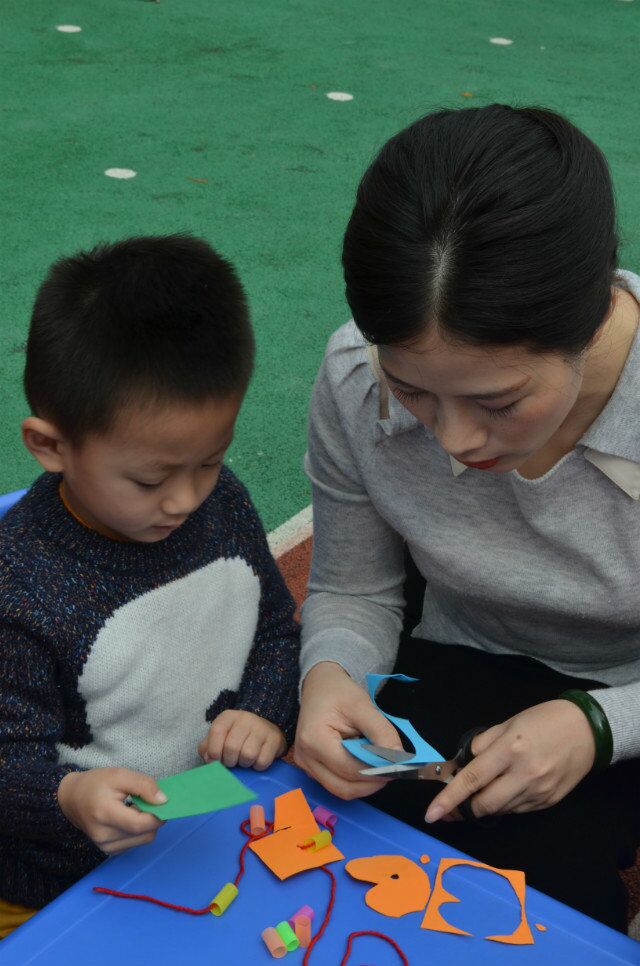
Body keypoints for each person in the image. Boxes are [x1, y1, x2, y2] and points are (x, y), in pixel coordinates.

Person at [294, 104, 640, 931]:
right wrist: (330, 677)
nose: (452, 439)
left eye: (499, 401)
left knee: (553, 906)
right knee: (329, 839)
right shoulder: (354, 377)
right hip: (468, 652)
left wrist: (603, 724)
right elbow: (353, 587)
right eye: (412, 390)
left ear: (594, 318)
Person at [0, 234, 300, 938]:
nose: (187, 499)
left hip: (203, 849)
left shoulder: (223, 503)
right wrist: (68, 796)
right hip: (51, 888)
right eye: (149, 479)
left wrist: (264, 710)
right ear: (51, 445)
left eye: (210, 460)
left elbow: (276, 631)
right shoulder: (19, 586)